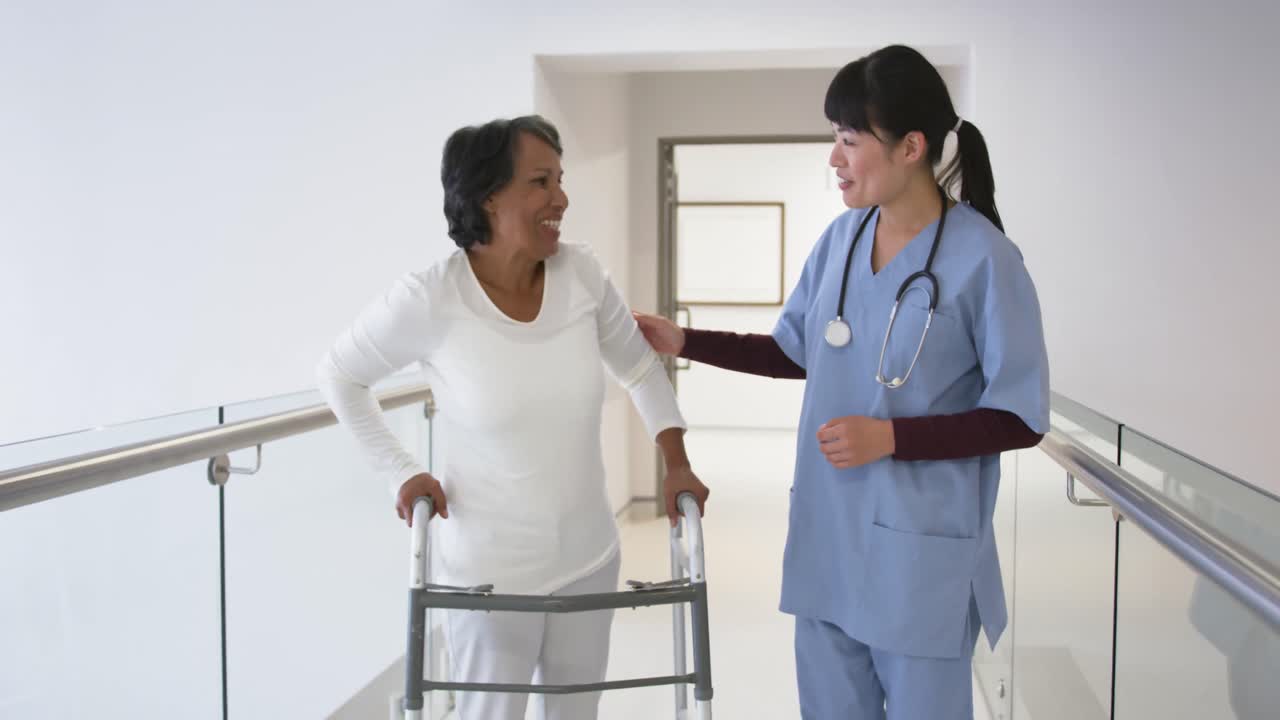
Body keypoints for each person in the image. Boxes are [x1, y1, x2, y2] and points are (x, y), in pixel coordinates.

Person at [634, 45, 1049, 719]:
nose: (835, 158)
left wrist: (892, 437)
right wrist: (686, 342)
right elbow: (795, 351)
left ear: (911, 146)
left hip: (920, 561)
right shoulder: (841, 240)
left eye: (850, 141)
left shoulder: (987, 260)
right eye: (835, 139)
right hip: (829, 544)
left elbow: (1021, 417)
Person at [317, 115, 709, 720]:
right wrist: (400, 470)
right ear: (489, 196)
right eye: (541, 181)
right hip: (487, 576)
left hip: (587, 559)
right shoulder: (431, 297)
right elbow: (340, 375)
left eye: (560, 179)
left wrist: (676, 462)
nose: (561, 198)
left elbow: (639, 369)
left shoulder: (581, 275)